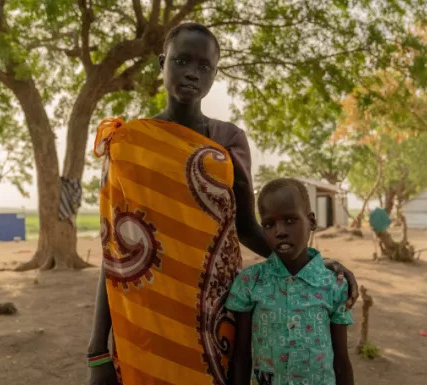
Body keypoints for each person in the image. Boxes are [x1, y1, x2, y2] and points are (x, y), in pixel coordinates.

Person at [87, 23, 359, 385]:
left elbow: (246, 226)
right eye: (182, 60)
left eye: (204, 66)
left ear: (215, 73)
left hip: (216, 310)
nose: (191, 73)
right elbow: (115, 250)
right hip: (148, 309)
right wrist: (97, 352)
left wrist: (311, 265)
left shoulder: (230, 139)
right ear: (161, 62)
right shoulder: (130, 143)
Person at [228, 178, 354, 385]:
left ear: (311, 222)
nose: (280, 231)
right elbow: (241, 357)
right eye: (269, 224)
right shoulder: (250, 282)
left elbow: (341, 362)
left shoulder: (333, 285)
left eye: (290, 220)